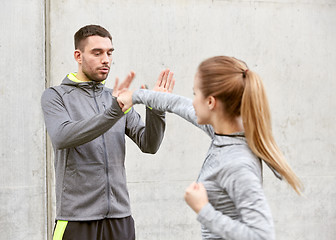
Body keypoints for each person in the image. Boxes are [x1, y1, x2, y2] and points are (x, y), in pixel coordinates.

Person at [117, 56, 302, 239]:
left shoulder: (237, 163)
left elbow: (262, 236)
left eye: (196, 94)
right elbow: (177, 104)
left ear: (211, 102)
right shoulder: (222, 132)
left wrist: (203, 209)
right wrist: (135, 96)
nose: (193, 101)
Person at [41, 24, 175, 240]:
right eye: (97, 53)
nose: (106, 59)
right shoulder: (55, 96)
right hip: (76, 220)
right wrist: (114, 112)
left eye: (109, 53)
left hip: (120, 218)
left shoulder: (115, 98)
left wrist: (156, 109)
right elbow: (62, 136)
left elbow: (149, 144)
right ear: (78, 55)